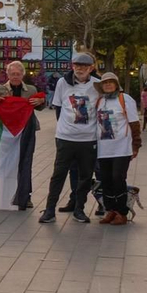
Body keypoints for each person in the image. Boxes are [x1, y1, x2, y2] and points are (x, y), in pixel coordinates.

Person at [40, 52, 102, 225]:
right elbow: (58, 108)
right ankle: (50, 209)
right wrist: (64, 128)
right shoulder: (62, 83)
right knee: (58, 174)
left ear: (91, 68)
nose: (80, 69)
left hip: (88, 139)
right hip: (65, 137)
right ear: (72, 66)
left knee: (85, 176)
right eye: (77, 65)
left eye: (84, 66)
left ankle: (79, 208)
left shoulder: (97, 85)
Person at [0, 61, 44, 211]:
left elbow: (40, 107)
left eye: (18, 74)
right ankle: (2, 191)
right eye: (12, 74)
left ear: (23, 74)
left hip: (25, 132)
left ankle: (25, 196)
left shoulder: (31, 89)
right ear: (7, 75)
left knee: (25, 162)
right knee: (4, 163)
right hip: (4, 133)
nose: (15, 76)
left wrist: (41, 101)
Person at [93, 72, 141, 225]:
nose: (107, 85)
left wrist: (136, 145)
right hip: (104, 148)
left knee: (117, 178)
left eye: (110, 82)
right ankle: (110, 210)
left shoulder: (125, 99)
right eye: (104, 83)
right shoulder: (100, 101)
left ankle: (122, 212)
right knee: (105, 180)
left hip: (122, 147)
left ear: (116, 84)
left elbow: (134, 123)